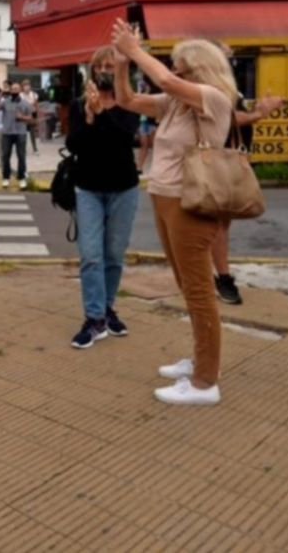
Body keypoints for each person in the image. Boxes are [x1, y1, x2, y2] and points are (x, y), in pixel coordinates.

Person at [111, 20, 239, 406]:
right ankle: (201, 361)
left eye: (180, 62)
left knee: (200, 292)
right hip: (165, 197)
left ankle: (205, 383)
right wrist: (122, 63)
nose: (173, 66)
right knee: (188, 286)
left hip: (191, 202)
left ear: (197, 66)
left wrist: (135, 51)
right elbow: (127, 101)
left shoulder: (212, 97)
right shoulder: (176, 105)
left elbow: (165, 80)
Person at [67, 47, 142, 349]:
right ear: (92, 70)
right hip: (88, 188)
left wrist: (102, 116)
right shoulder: (79, 104)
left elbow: (126, 138)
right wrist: (87, 116)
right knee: (90, 255)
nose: (106, 71)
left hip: (124, 187)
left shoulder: (131, 102)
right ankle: (94, 317)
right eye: (101, 66)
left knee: (114, 254)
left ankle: (108, 308)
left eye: (112, 65)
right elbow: (74, 145)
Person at [209, 41, 284, 305]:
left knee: (222, 222)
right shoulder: (210, 85)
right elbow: (226, 117)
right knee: (217, 222)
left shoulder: (227, 84)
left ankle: (219, 272)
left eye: (231, 56)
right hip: (215, 160)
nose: (230, 61)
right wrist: (259, 114)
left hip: (231, 159)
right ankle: (222, 276)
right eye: (225, 55)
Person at [0, 82, 34, 189]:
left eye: (17, 89)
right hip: (7, 133)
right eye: (13, 89)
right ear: (10, 90)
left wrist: (23, 117)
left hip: (20, 133)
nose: (14, 91)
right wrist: (0, 95)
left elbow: (31, 118)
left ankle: (21, 178)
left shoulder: (25, 103)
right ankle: (6, 177)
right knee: (5, 156)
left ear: (20, 90)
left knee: (21, 156)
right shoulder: (5, 102)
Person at [23, 78, 41, 154]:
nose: (26, 87)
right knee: (23, 134)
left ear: (30, 86)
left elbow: (37, 106)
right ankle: (23, 149)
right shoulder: (20, 95)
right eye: (25, 85)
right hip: (23, 116)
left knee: (32, 133)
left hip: (32, 115)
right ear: (22, 87)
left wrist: (37, 117)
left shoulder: (34, 95)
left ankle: (35, 148)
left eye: (28, 85)